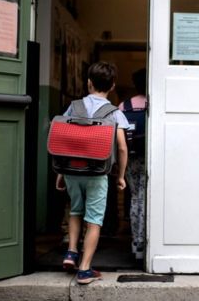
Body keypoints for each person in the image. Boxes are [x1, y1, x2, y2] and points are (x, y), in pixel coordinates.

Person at [55, 61, 129, 284]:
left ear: (88, 83)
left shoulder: (74, 106)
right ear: (113, 86)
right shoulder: (114, 112)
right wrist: (121, 176)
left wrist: (60, 172)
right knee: (95, 220)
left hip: (71, 170)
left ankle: (71, 252)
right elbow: (122, 147)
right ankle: (85, 269)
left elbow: (63, 140)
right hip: (97, 172)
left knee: (75, 211)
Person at [119, 68, 147, 260]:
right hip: (149, 158)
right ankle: (147, 243)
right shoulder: (154, 103)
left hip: (130, 158)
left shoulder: (124, 106)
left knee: (136, 197)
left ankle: (136, 244)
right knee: (148, 199)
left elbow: (118, 137)